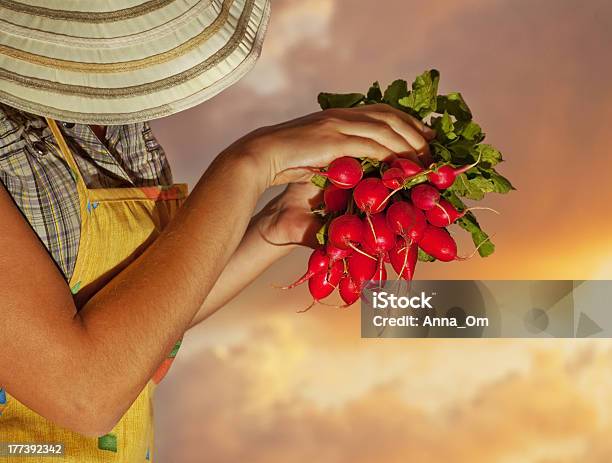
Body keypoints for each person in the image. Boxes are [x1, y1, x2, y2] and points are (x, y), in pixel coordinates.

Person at [0, 1, 432, 461]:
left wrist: (273, 227)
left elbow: (139, 327)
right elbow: (84, 392)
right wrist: (248, 164)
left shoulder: (110, 120)